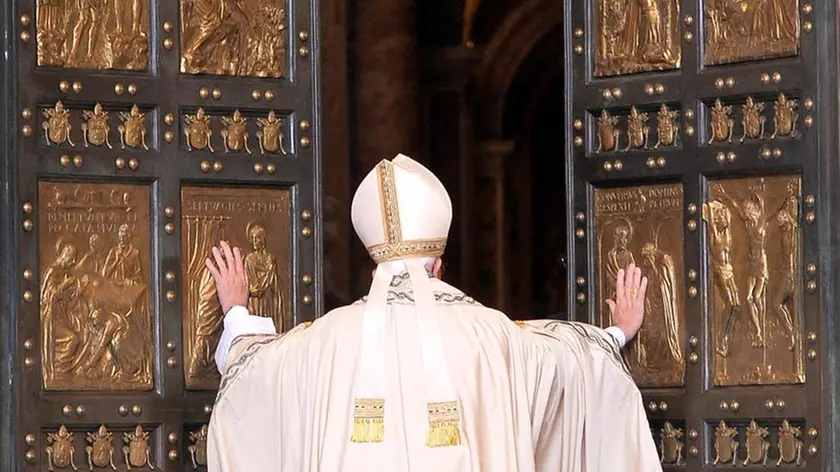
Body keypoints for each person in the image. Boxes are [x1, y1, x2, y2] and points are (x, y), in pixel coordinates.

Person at [204, 154, 660, 471]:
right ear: (438, 265)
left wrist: (238, 310)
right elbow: (570, 364)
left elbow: (252, 374)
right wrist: (616, 332)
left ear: (373, 264)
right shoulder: (492, 334)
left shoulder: (326, 339)